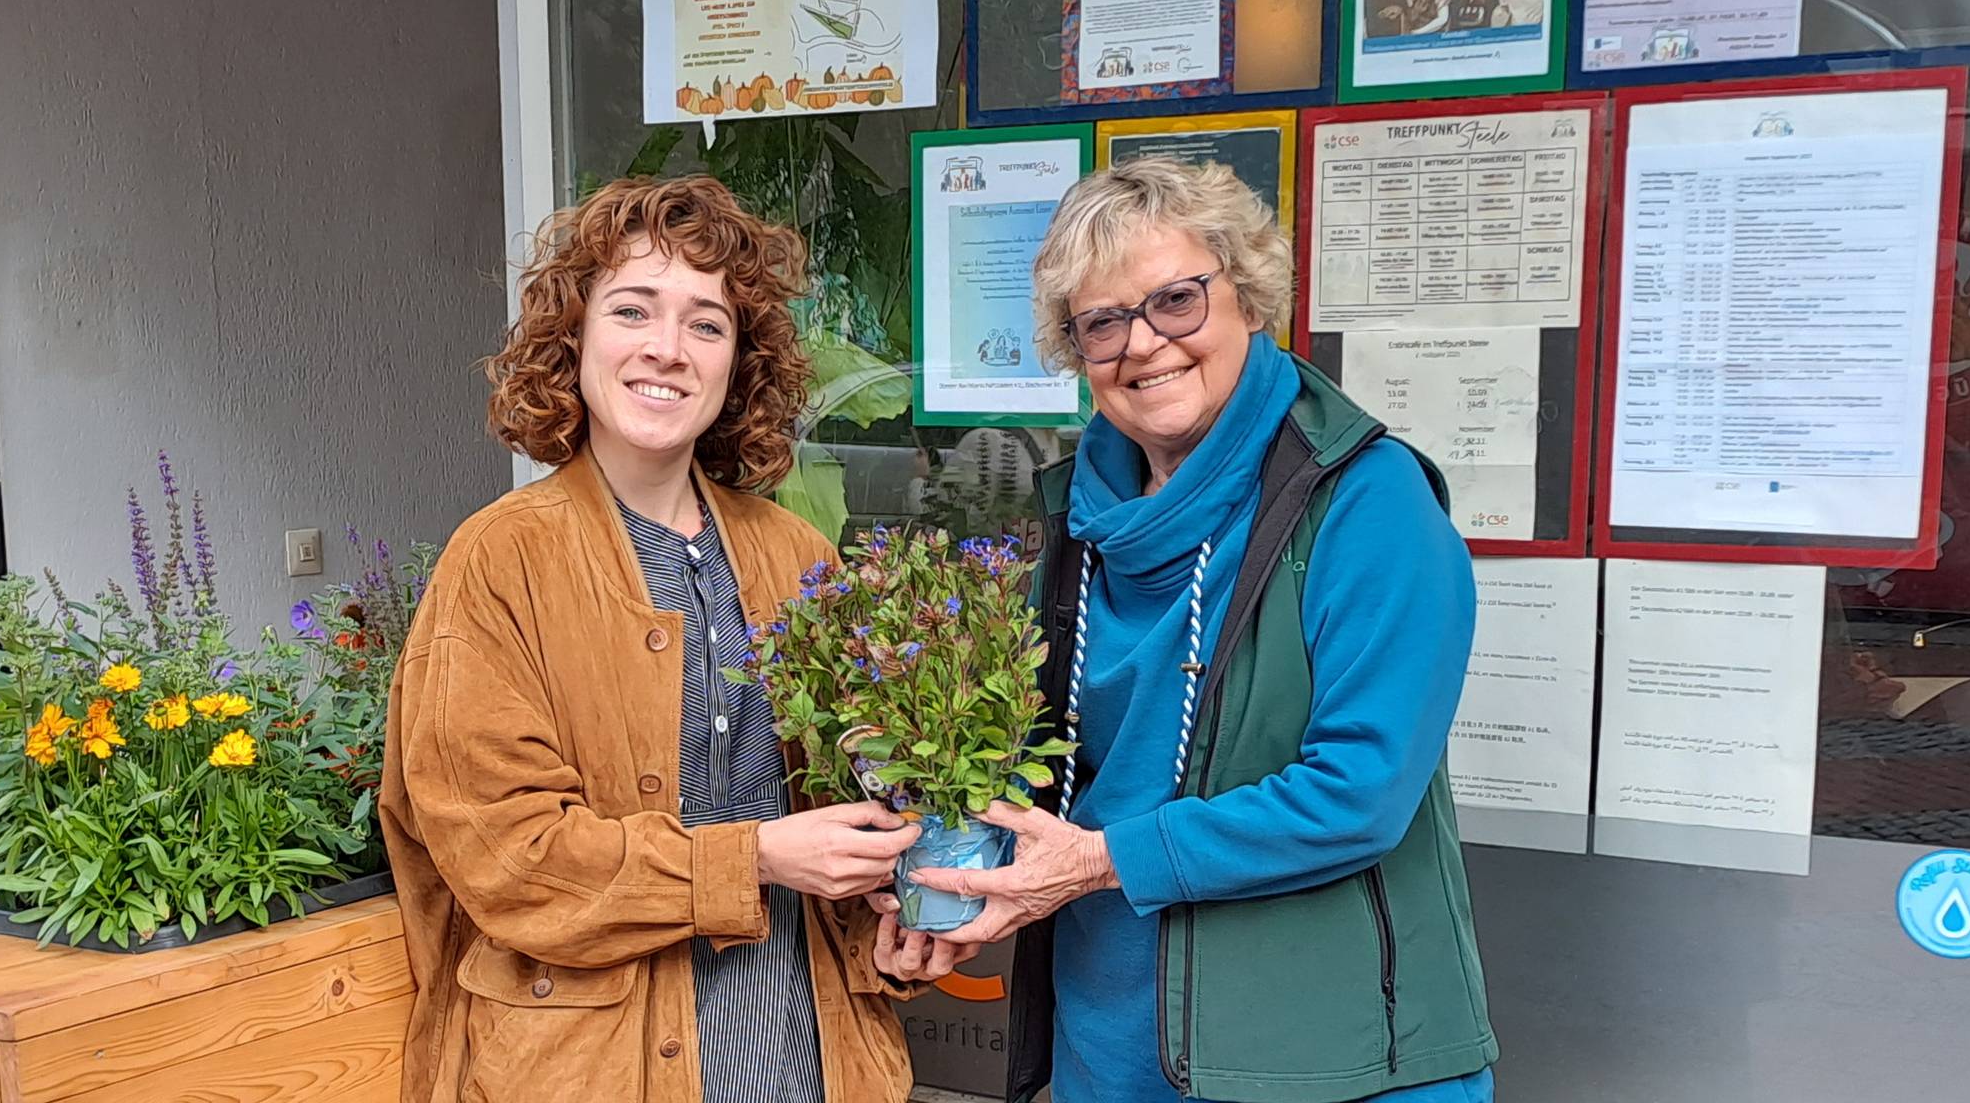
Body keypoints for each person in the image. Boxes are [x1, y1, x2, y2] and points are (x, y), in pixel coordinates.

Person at [899, 158, 1495, 1103]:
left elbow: (1359, 795)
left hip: (1319, 1057)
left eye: (1176, 300)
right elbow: (1039, 767)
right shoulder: (1075, 520)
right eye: (1102, 322)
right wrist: (953, 889)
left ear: (1247, 297)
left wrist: (1100, 860)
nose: (1144, 345)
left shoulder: (1368, 504)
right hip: (1113, 1040)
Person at [379, 175, 971, 1103]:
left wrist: (888, 934)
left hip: (802, 1058)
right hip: (589, 1071)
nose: (668, 348)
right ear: (572, 337)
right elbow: (510, 859)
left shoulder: (797, 556)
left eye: (707, 323)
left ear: (740, 363)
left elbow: (857, 811)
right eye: (632, 310)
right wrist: (756, 857)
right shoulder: (500, 561)